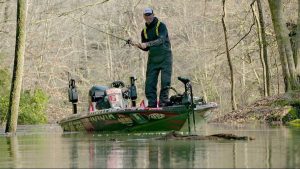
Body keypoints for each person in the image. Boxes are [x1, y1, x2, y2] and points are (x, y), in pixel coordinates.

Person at [131, 7, 173, 107]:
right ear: (144, 17)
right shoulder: (144, 31)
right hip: (153, 60)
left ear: (153, 15)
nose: (148, 17)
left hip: (165, 58)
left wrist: (147, 44)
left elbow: (161, 40)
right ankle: (152, 105)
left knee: (165, 82)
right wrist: (136, 44)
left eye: (150, 15)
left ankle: (163, 103)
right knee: (149, 84)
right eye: (146, 15)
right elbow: (145, 48)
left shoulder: (161, 26)